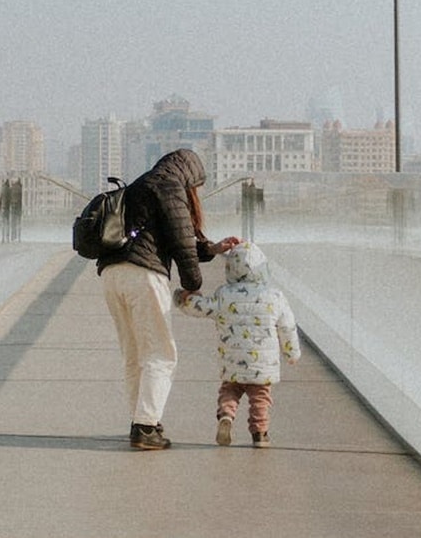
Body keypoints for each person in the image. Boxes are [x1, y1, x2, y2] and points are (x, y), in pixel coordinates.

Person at [97, 149, 239, 450]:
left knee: (134, 354)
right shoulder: (171, 187)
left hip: (112, 274)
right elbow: (182, 243)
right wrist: (192, 285)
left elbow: (170, 235)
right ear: (191, 175)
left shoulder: (142, 184)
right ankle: (146, 427)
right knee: (161, 354)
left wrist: (211, 249)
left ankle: (141, 419)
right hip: (144, 276)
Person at [175, 241, 300, 448]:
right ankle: (260, 434)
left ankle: (226, 415)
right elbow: (287, 327)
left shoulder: (224, 294)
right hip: (262, 365)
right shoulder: (274, 296)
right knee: (260, 398)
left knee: (230, 391)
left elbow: (202, 307)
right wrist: (292, 353)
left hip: (232, 361)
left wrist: (182, 298)